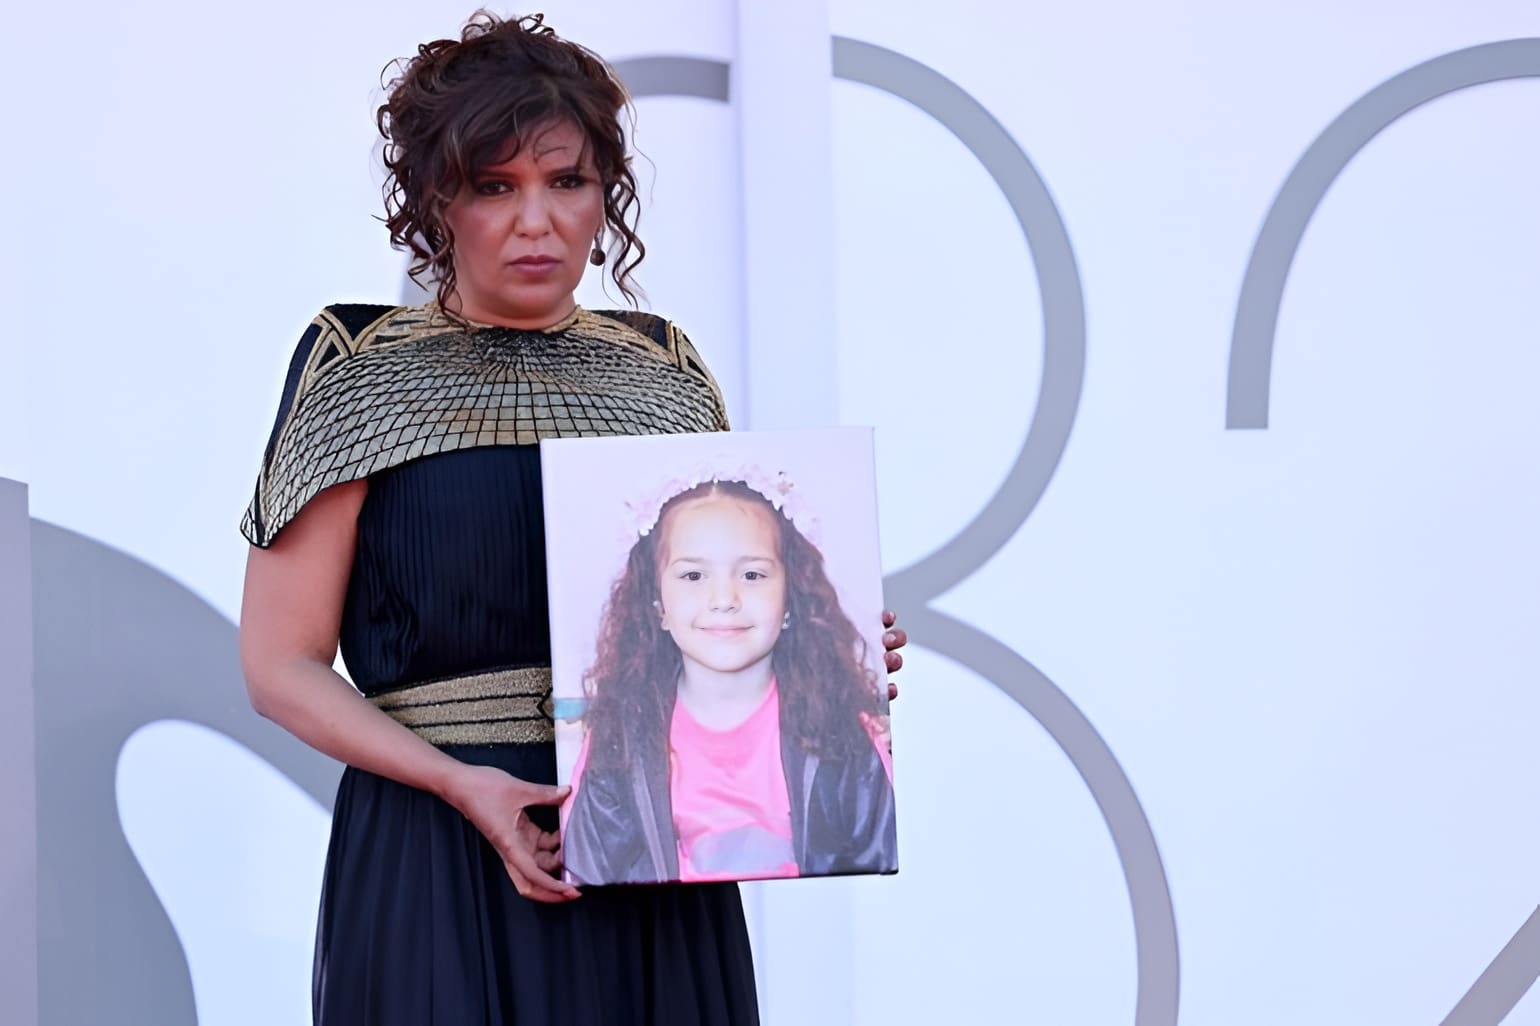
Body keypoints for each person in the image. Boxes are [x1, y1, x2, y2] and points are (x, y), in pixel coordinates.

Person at [236, 11, 907, 1026]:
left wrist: (827, 643)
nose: (536, 221)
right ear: (435, 201)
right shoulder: (357, 370)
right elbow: (277, 666)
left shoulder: (665, 373)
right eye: (493, 186)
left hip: (648, 851)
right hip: (433, 854)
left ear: (606, 194)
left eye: (566, 181)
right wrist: (462, 787)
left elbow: (704, 629)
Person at [563, 473, 898, 885]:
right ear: (658, 606)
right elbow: (590, 872)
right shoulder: (618, 741)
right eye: (693, 576)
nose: (724, 600)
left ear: (790, 601)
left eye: (752, 575)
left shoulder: (846, 736)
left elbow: (883, 871)